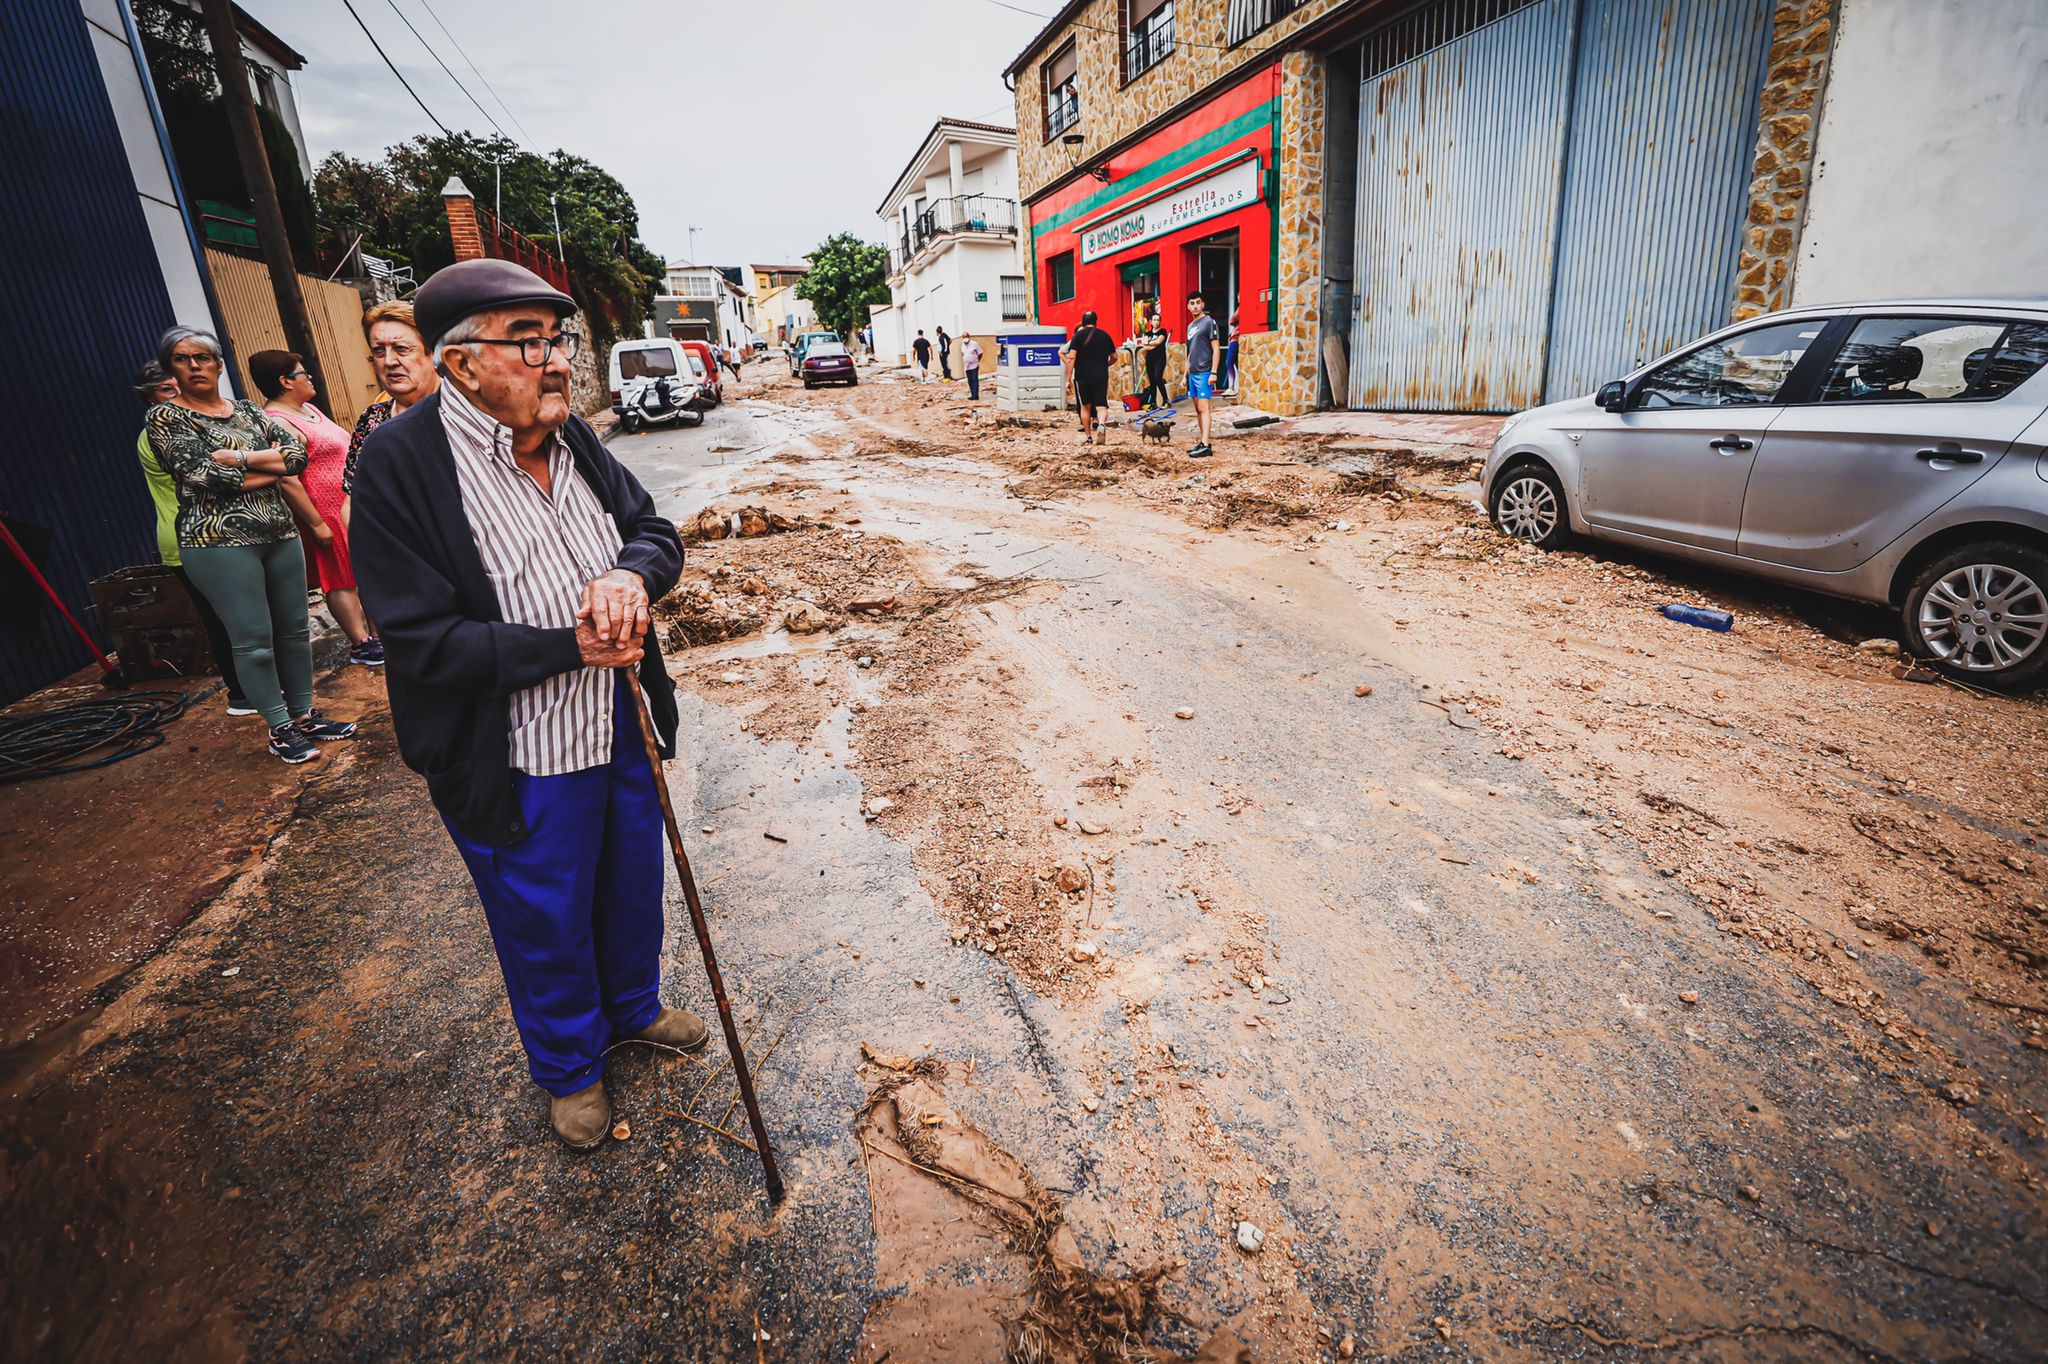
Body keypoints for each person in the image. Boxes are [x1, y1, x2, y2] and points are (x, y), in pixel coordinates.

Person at [349, 259, 704, 1152]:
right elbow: (422, 642)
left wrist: (630, 572)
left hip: (616, 720)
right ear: (462, 362)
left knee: (630, 883)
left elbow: (653, 530)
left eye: (558, 341)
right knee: (542, 916)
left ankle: (632, 1008)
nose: (556, 363)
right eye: (529, 342)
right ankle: (571, 1068)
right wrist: (568, 645)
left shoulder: (576, 439)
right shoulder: (400, 466)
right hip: (516, 753)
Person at [145, 327, 357, 763]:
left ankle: (304, 715)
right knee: (253, 639)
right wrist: (270, 467)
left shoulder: (245, 411)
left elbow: (297, 455)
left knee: (294, 631)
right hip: (219, 539)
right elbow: (201, 476)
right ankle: (280, 728)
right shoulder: (166, 418)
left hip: (278, 533)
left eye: (203, 357)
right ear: (172, 368)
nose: (195, 366)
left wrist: (240, 459)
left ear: (219, 365)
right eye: (183, 359)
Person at [133, 362, 249, 713]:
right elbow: (216, 475)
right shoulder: (158, 434)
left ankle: (254, 689)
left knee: (241, 616)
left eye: (179, 387)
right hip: (190, 536)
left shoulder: (184, 427)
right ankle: (241, 694)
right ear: (150, 397)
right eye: (169, 389)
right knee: (223, 619)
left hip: (216, 533)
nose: (178, 395)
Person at [252, 350, 381, 667]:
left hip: (347, 504)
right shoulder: (277, 422)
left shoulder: (307, 410)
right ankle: (360, 643)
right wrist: (315, 523)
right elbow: (286, 479)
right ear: (284, 381)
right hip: (322, 509)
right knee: (339, 576)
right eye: (301, 373)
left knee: (366, 571)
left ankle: (380, 637)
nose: (309, 377)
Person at [341, 300, 441, 525]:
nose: (389, 361)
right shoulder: (372, 420)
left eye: (402, 349)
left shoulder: (465, 408)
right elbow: (352, 502)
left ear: (432, 352)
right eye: (378, 350)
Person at [1063, 310, 1117, 446]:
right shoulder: (1105, 335)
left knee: (1085, 406)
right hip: (1101, 374)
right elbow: (1115, 357)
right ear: (1095, 321)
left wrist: (1068, 379)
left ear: (1083, 321)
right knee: (1101, 405)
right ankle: (1102, 424)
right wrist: (1105, 365)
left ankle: (1088, 437)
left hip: (1083, 376)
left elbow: (1071, 358)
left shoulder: (1077, 336)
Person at [1185, 292, 1220, 458]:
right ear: (1188, 307)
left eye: (1198, 302)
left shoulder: (1209, 322)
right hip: (1192, 373)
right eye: (1192, 303)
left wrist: (1213, 372)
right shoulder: (1190, 327)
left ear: (1203, 304)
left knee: (1204, 408)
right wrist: (1185, 376)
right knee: (1198, 409)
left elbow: (1216, 349)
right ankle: (1202, 441)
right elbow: (1189, 354)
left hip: (1205, 372)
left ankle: (1206, 445)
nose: (1195, 306)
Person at [1139, 309, 1169, 409]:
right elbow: (1145, 347)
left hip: (1160, 358)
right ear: (1151, 322)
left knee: (1157, 378)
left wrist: (1149, 344)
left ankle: (1165, 400)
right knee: (1152, 381)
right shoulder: (1147, 334)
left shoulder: (1163, 331)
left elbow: (1159, 341)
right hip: (1150, 359)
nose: (1156, 321)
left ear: (1160, 321)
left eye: (1158, 320)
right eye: (1154, 320)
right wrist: (1150, 345)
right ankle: (1153, 403)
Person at [960, 334, 985, 401]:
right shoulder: (962, 345)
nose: (965, 338)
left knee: (974, 379)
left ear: (969, 337)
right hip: (967, 366)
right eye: (964, 337)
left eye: (966, 337)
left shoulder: (974, 344)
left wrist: (977, 360)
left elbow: (980, 353)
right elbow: (962, 353)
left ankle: (975, 395)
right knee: (970, 380)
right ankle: (972, 394)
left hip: (974, 365)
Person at [1223, 302, 1240, 396]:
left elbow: (1231, 321)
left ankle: (1231, 387)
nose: (1238, 298)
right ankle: (1237, 387)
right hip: (1237, 337)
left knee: (1229, 362)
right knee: (1236, 363)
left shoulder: (1240, 309)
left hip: (1236, 338)